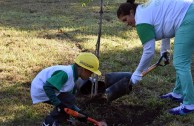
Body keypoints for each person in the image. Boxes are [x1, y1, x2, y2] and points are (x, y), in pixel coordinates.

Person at [117, 0, 194, 115]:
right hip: (188, 12)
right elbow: (164, 25)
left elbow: (149, 51)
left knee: (181, 63)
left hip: (187, 17)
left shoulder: (141, 21)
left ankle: (189, 104)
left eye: (125, 20)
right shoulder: (143, 10)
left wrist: (138, 72)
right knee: (180, 62)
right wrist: (165, 50)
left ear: (131, 12)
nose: (127, 24)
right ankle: (178, 93)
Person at [30, 52, 101, 125]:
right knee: (67, 100)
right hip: (40, 89)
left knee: (68, 99)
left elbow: (69, 103)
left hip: (48, 89)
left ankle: (61, 121)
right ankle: (49, 122)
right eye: (91, 72)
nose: (90, 75)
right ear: (83, 69)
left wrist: (79, 113)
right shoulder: (65, 73)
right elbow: (47, 86)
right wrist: (59, 104)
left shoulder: (73, 77)